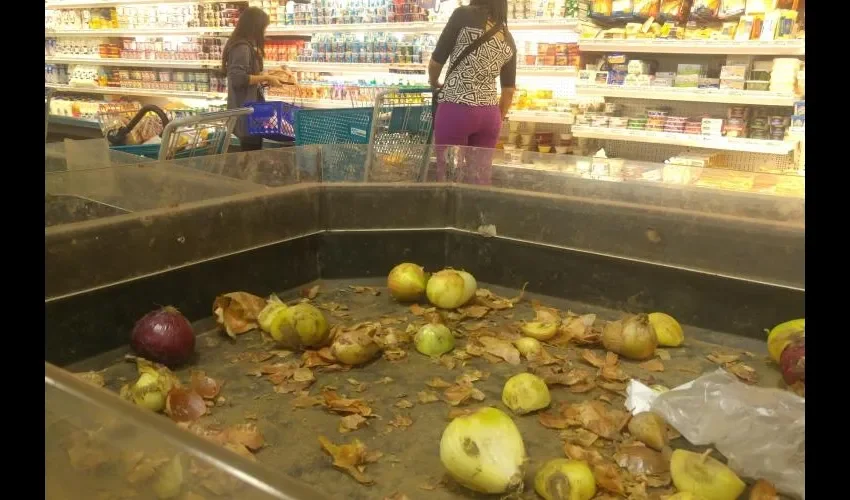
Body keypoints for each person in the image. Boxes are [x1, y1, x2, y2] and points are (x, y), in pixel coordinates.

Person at [428, 0, 517, 184]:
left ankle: (451, 212)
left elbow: (437, 61)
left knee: (450, 178)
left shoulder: (463, 15)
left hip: (456, 108)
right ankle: (477, 212)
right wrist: (495, 119)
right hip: (490, 115)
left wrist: (434, 81)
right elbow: (508, 90)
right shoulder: (508, 38)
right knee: (480, 180)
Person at [222, 7, 286, 152]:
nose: (264, 32)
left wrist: (272, 75)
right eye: (263, 28)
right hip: (245, 113)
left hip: (250, 111)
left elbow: (247, 75)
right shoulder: (242, 47)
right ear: (255, 27)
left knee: (252, 150)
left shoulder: (245, 45)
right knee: (250, 154)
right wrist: (266, 77)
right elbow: (238, 79)